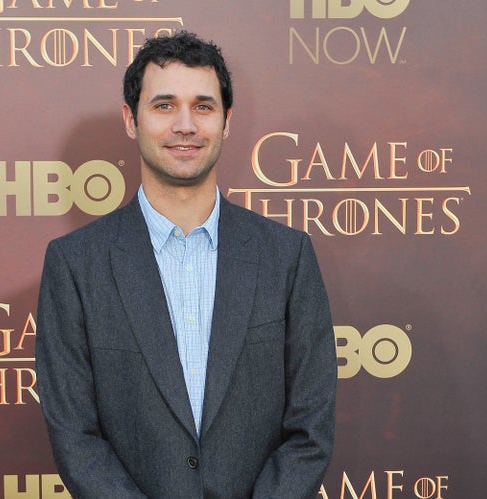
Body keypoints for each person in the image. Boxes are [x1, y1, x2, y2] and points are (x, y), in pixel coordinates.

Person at [36, 31, 337, 499]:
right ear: (131, 120)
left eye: (203, 106)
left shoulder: (287, 256)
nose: (185, 125)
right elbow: (76, 436)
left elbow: (310, 428)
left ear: (226, 120)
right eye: (163, 106)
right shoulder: (76, 265)